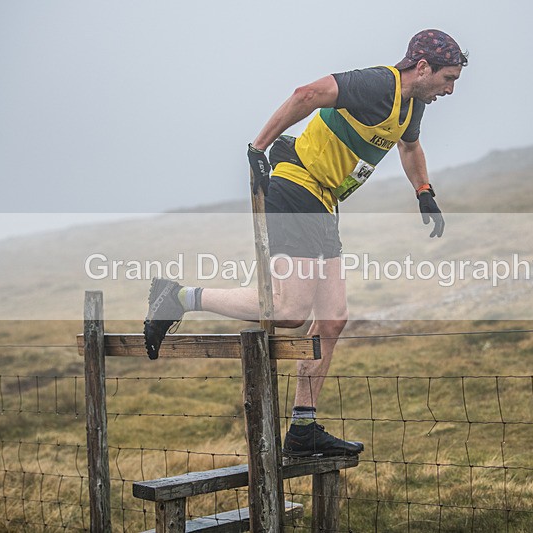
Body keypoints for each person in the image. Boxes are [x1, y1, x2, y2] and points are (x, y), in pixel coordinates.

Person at [143, 29, 467, 457]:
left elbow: (410, 148)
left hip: (325, 201)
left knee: (332, 319)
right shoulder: (377, 84)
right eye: (448, 78)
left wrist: (424, 191)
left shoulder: (411, 108)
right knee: (290, 311)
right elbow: (307, 93)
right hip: (297, 186)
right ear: (422, 67)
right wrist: (257, 148)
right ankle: (179, 297)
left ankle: (302, 429)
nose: (450, 89)